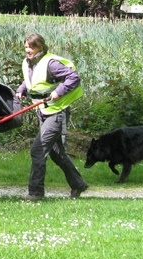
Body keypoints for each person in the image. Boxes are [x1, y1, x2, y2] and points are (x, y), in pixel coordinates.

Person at [15, 33, 89, 200]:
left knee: (38, 150)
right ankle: (78, 184)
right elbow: (31, 81)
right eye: (26, 46)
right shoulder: (29, 63)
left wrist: (58, 91)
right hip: (44, 112)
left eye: (31, 47)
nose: (28, 50)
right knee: (56, 153)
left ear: (40, 47)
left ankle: (35, 193)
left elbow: (74, 77)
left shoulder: (51, 64)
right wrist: (21, 90)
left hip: (57, 112)